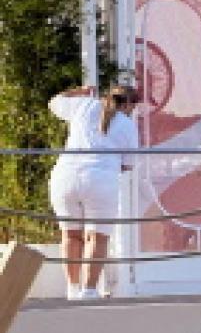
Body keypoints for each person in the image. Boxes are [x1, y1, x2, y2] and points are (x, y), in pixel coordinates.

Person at [47, 79, 142, 300]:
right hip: (101, 180)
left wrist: (80, 91)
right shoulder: (127, 125)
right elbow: (128, 164)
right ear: (128, 104)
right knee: (97, 237)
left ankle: (72, 289)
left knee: (70, 235)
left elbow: (54, 102)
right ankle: (89, 291)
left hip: (65, 176)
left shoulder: (83, 105)